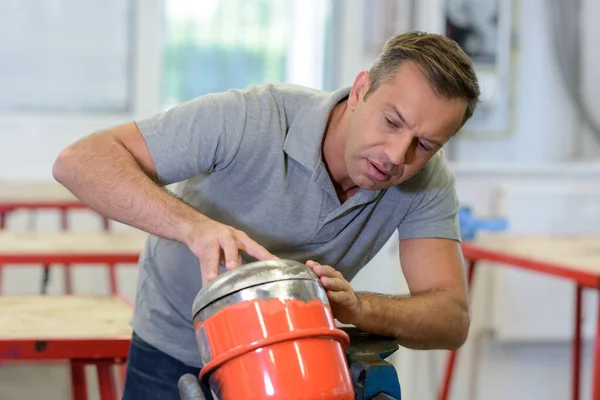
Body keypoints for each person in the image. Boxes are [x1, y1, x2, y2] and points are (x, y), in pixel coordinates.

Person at [53, 31, 480, 399]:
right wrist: (193, 227)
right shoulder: (251, 118)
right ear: (359, 90)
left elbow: (451, 319)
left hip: (295, 358)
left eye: (424, 146)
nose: (395, 155)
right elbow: (80, 160)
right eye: (391, 121)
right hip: (175, 346)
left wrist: (357, 306)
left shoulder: (428, 181)